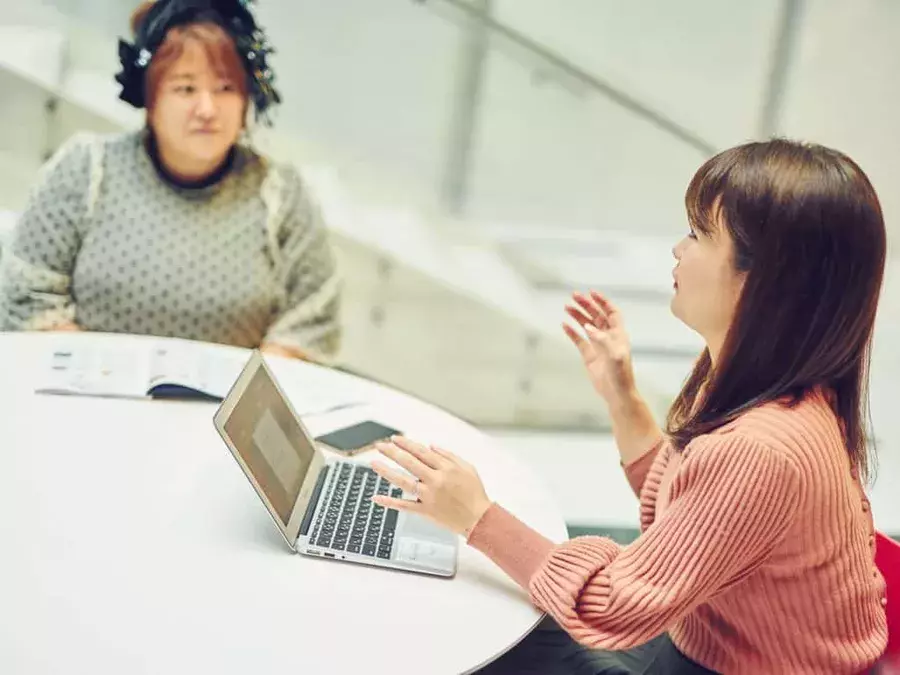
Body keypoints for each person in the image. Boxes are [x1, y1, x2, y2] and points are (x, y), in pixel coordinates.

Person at [371, 140, 890, 674]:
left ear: (764, 281)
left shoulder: (762, 448)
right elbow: (689, 515)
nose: (677, 249)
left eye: (699, 234)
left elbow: (612, 608)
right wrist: (623, 396)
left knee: (491, 641)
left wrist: (477, 518)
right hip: (717, 645)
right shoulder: (779, 389)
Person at [0, 0, 340, 362]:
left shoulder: (282, 196)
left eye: (225, 88)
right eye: (185, 88)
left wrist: (236, 401)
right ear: (151, 97)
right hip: (82, 395)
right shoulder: (86, 169)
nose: (207, 109)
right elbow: (27, 295)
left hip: (220, 411)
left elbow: (310, 320)